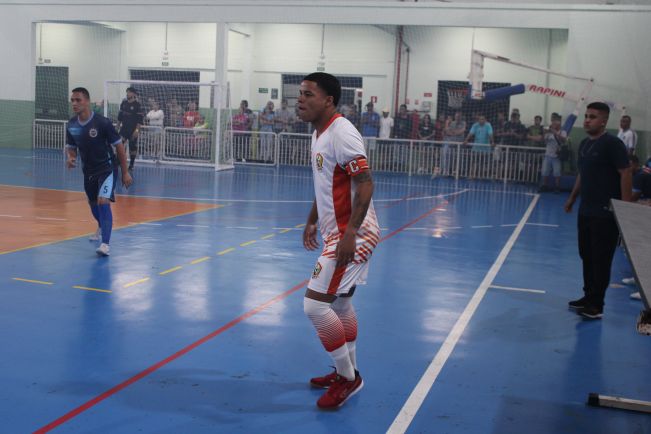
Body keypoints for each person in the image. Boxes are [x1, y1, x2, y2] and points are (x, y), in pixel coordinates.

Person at [297, 72, 380, 409]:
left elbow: (366, 183)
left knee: (315, 305)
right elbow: (327, 184)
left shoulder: (342, 132)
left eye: (308, 94)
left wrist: (350, 234)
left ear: (328, 100)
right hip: (338, 231)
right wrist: (312, 219)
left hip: (354, 234)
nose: (300, 99)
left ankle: (349, 379)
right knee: (341, 305)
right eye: (300, 93)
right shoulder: (318, 134)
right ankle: (345, 370)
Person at [564, 101, 632, 319]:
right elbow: (582, 173)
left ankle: (597, 305)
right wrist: (572, 198)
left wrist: (625, 208)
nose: (587, 120)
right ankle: (588, 296)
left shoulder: (612, 144)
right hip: (586, 210)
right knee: (587, 255)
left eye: (592, 117)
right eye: (586, 116)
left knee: (601, 259)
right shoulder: (584, 144)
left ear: (603, 121)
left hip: (606, 213)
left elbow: (625, 173)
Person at [65, 87, 132, 256]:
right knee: (93, 204)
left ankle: (105, 244)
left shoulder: (102, 123)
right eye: (72, 100)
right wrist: (71, 157)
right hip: (88, 171)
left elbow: (119, 147)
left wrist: (125, 172)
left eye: (78, 100)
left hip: (107, 168)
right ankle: (102, 225)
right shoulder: (71, 125)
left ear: (87, 101)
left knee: (103, 201)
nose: (74, 103)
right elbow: (71, 147)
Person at [117, 87, 144, 171]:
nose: (127, 94)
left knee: (132, 147)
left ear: (133, 94)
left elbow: (139, 120)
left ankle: (131, 164)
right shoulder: (123, 103)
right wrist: (117, 127)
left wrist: (137, 131)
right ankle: (119, 161)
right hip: (124, 129)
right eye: (127, 92)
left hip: (133, 130)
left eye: (129, 92)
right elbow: (120, 117)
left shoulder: (137, 105)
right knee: (119, 144)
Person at [539, 112, 565, 192]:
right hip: (548, 155)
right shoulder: (549, 133)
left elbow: (563, 140)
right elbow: (544, 141)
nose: (554, 125)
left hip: (556, 156)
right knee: (545, 171)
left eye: (556, 123)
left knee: (557, 173)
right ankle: (544, 185)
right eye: (553, 123)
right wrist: (544, 132)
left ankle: (557, 187)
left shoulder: (563, 132)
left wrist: (555, 133)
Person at [463, 114, 493, 179]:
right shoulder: (475, 125)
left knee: (484, 163)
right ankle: (472, 175)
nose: (481, 120)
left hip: (485, 149)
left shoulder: (488, 125)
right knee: (474, 162)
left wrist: (492, 142)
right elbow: (470, 133)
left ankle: (482, 176)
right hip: (476, 148)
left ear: (485, 120)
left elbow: (490, 134)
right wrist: (466, 140)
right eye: (480, 119)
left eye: (483, 119)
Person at [442, 111, 466, 177]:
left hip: (459, 144)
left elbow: (461, 131)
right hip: (451, 143)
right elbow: (447, 132)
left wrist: (454, 132)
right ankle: (446, 172)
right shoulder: (452, 123)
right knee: (448, 157)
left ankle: (457, 172)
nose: (457, 118)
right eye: (456, 116)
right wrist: (453, 131)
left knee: (458, 159)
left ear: (461, 117)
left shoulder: (463, 123)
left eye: (459, 116)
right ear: (455, 117)